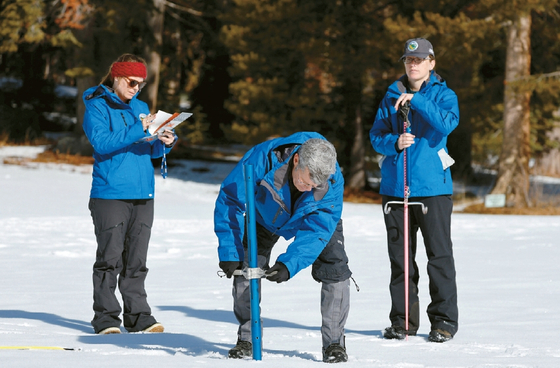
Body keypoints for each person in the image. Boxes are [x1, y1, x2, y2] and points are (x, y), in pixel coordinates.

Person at [214, 132, 352, 363]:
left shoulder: (332, 180)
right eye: (305, 182)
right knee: (246, 265)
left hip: (312, 218)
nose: (308, 189)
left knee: (335, 268)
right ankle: (247, 338)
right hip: (265, 215)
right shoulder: (263, 158)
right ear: (296, 160)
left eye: (314, 186)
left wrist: (289, 264)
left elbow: (318, 229)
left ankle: (334, 343)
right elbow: (230, 199)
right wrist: (229, 250)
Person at [369, 38, 459, 343]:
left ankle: (444, 322)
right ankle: (402, 322)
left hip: (432, 188)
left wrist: (416, 101)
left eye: (420, 60)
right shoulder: (390, 95)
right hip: (395, 189)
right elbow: (376, 135)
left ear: (431, 63)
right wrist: (393, 143)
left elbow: (446, 124)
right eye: (409, 60)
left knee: (439, 257)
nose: (414, 64)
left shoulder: (445, 95)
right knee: (401, 261)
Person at [82, 53, 177, 334]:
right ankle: (106, 318)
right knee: (110, 258)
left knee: (137, 261)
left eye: (141, 84)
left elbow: (148, 148)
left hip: (143, 193)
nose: (136, 88)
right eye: (132, 82)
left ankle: (138, 317)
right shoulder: (97, 107)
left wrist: (164, 141)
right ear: (117, 77)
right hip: (110, 194)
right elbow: (101, 143)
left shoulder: (141, 107)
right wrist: (140, 127)